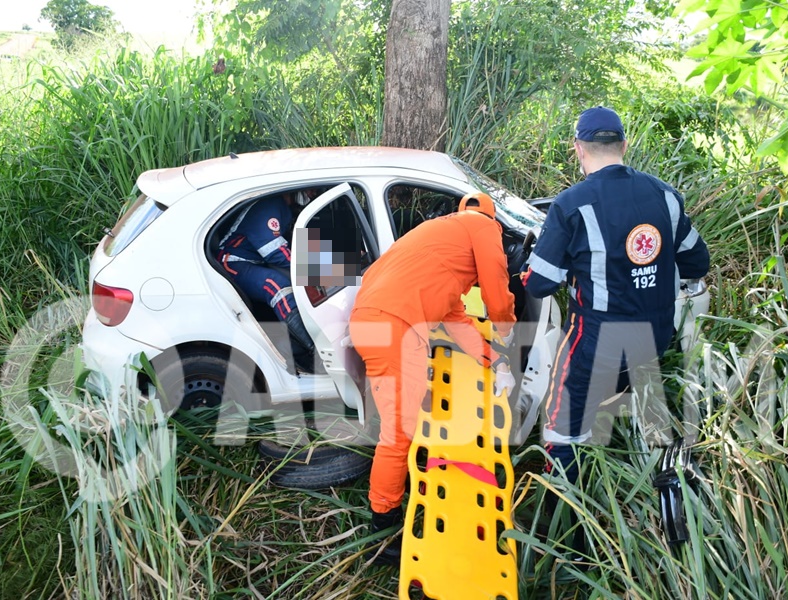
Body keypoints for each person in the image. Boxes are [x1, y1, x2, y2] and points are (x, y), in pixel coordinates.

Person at [521, 106, 710, 553]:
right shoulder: (665, 196)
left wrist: (565, 265)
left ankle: (567, 524)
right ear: (624, 146)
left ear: (578, 150)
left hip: (597, 341)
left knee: (562, 420)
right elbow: (696, 261)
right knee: (630, 400)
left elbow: (539, 281)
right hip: (653, 336)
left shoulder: (570, 206)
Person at [349, 191, 518, 566]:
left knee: (398, 428)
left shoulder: (440, 239)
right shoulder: (482, 225)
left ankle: (392, 496)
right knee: (397, 434)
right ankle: (382, 531)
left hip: (372, 318)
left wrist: (494, 361)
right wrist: (506, 328)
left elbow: (457, 318)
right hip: (393, 325)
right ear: (493, 220)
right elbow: (496, 286)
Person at [217, 193, 316, 369]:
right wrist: (319, 270)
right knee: (276, 286)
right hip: (234, 262)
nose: (313, 194)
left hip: (256, 260)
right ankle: (314, 348)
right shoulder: (269, 207)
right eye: (312, 190)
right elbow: (274, 252)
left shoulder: (282, 208)